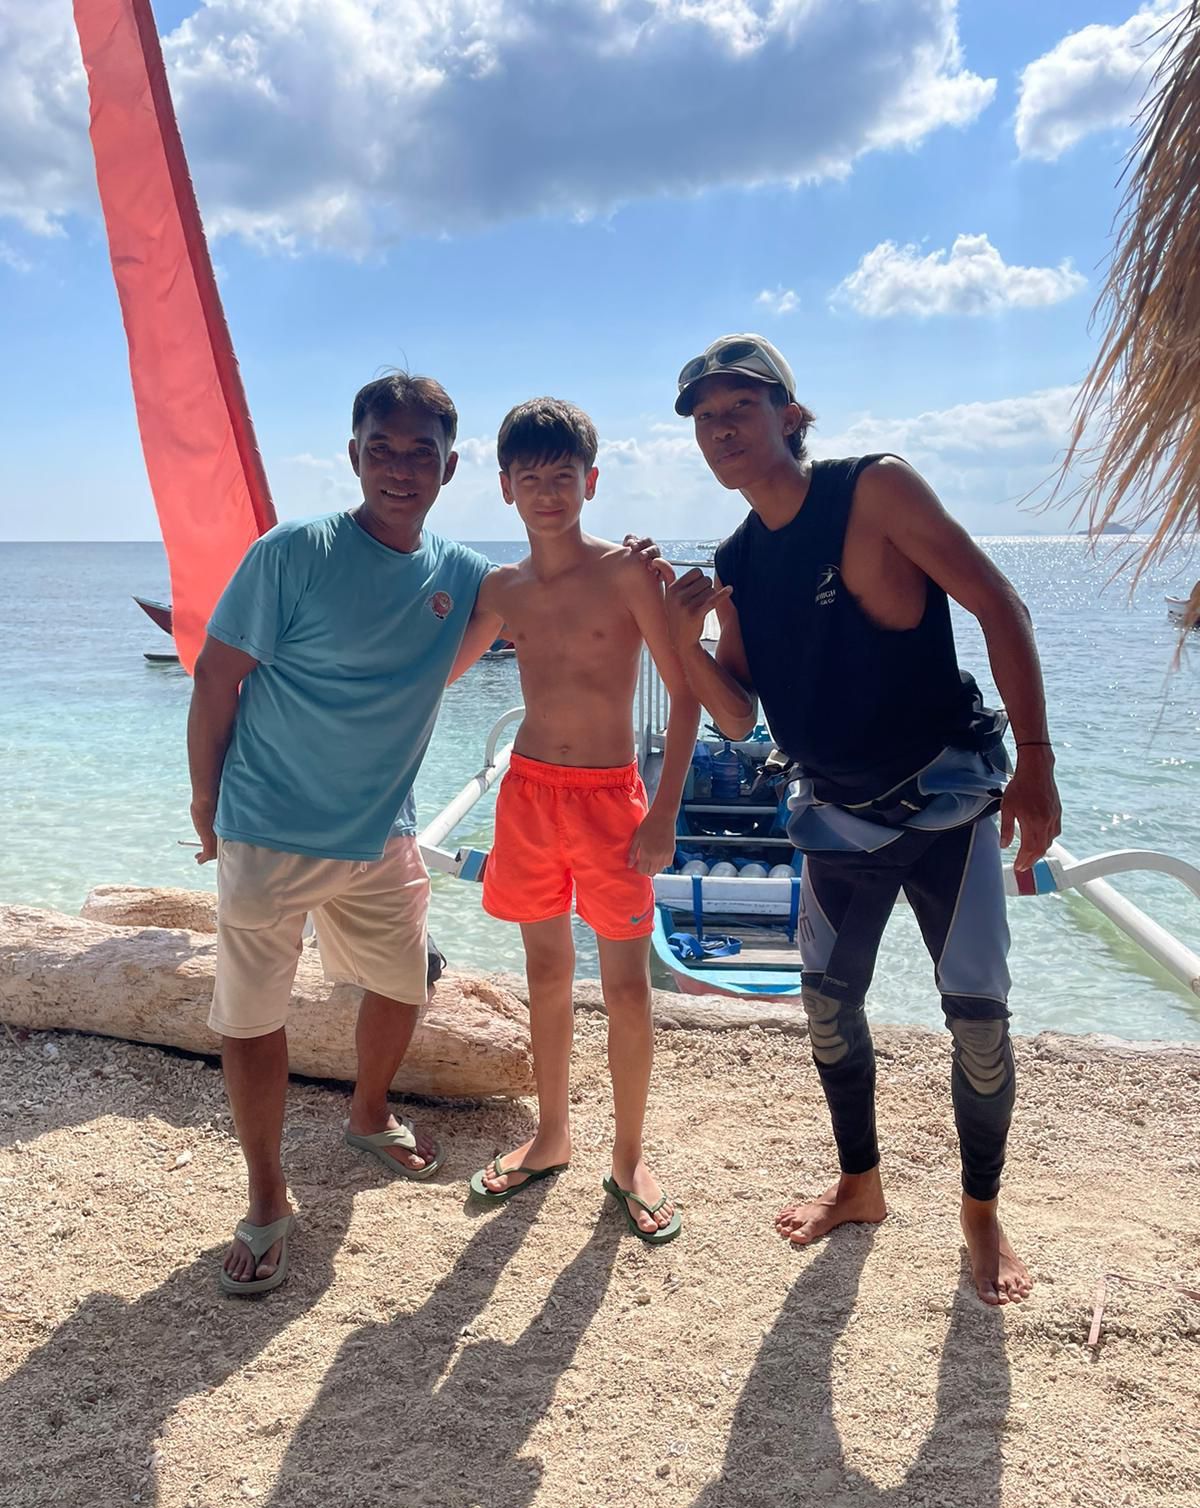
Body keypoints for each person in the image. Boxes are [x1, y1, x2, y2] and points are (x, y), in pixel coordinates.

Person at [658, 334, 1061, 1304]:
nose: (722, 430)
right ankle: (861, 1183)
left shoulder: (872, 491)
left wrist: (1039, 766)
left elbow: (999, 604)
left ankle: (979, 1210)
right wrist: (677, 634)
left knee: (976, 1019)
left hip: (941, 807)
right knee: (829, 1009)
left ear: (789, 417)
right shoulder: (738, 561)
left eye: (740, 409)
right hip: (834, 817)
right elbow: (738, 708)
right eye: (707, 419)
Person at [188, 371, 494, 1295]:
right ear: (353, 453)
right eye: (383, 448)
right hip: (268, 826)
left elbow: (555, 596)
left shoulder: (461, 574)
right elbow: (213, 679)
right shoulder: (292, 553)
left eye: (421, 452)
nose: (401, 468)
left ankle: (366, 1116)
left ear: (451, 464)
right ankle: (267, 1192)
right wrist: (207, 806)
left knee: (406, 980)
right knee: (252, 1018)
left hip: (382, 833)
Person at [452, 398, 700, 1242]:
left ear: (590, 481)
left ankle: (629, 1156)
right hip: (527, 793)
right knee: (546, 976)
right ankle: (551, 1135)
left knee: (628, 988)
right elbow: (441, 671)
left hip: (609, 799)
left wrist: (664, 809)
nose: (548, 491)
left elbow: (687, 688)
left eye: (564, 476)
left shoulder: (626, 573)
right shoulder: (502, 587)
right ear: (506, 489)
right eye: (532, 478)